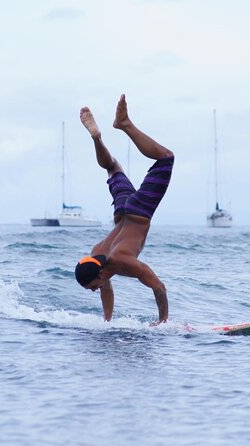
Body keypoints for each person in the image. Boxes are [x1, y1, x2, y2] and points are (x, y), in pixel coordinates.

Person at [75, 94, 174, 324]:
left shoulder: (121, 260)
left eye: (92, 287)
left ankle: (125, 124)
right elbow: (106, 291)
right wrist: (107, 322)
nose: (94, 290)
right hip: (122, 212)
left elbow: (158, 287)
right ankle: (97, 139)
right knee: (112, 167)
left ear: (99, 274)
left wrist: (163, 323)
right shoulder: (97, 256)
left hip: (139, 211)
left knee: (166, 158)